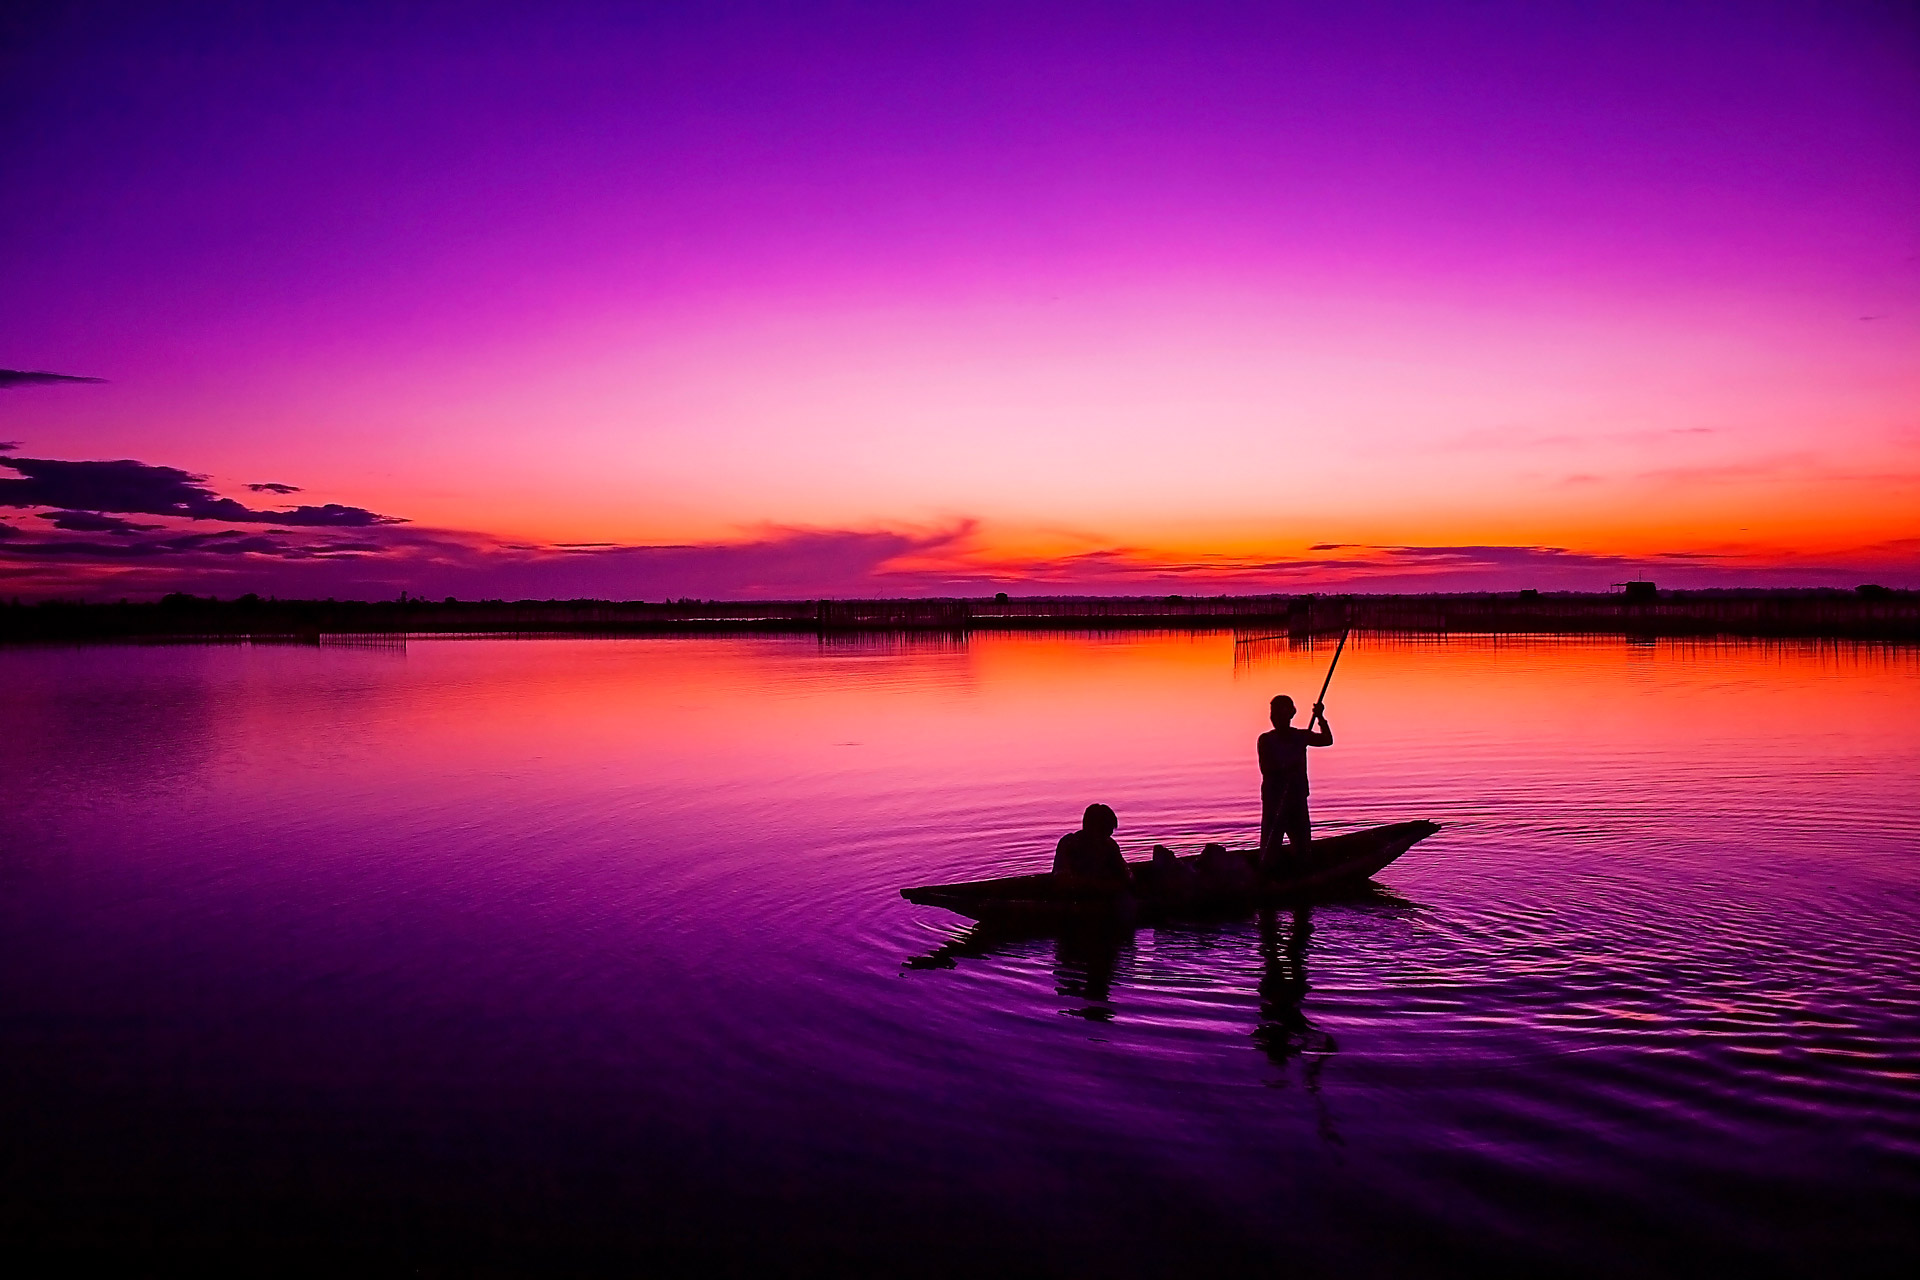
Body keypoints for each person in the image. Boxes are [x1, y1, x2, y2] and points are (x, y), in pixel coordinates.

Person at [1258, 694, 1332, 869]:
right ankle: (1267, 876)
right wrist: (1287, 766)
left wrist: (1320, 717)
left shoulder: (1300, 736)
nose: (1276, 718)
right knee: (1270, 847)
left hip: (1297, 799)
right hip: (1274, 801)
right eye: (1274, 714)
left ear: (1291, 714)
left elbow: (1327, 740)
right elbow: (1267, 768)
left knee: (1302, 847)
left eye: (1281, 713)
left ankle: (1303, 872)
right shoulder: (1266, 740)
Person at [1052, 803, 1130, 889]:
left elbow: (1125, 873)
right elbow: (1062, 879)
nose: (1107, 836)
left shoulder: (1110, 845)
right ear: (1090, 826)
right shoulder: (1069, 844)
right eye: (1104, 831)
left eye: (1109, 832)